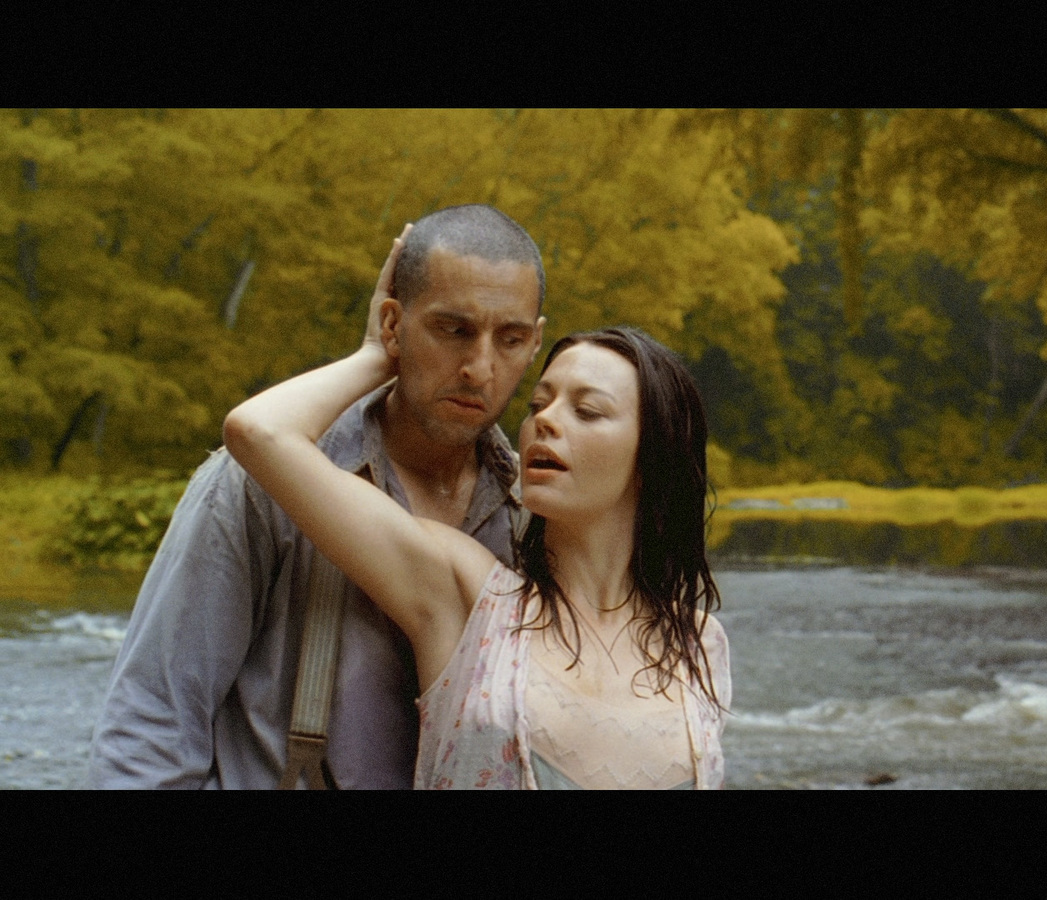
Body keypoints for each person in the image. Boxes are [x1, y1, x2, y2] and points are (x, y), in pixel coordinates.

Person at [222, 248, 729, 788]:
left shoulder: (700, 643)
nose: (545, 422)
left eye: (586, 411)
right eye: (538, 404)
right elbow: (259, 433)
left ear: (653, 458)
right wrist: (379, 352)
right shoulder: (467, 596)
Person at [89, 205, 547, 788]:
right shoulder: (263, 479)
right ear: (392, 324)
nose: (480, 368)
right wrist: (370, 362)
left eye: (509, 339)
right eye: (453, 330)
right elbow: (151, 723)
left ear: (534, 343)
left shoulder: (534, 513)